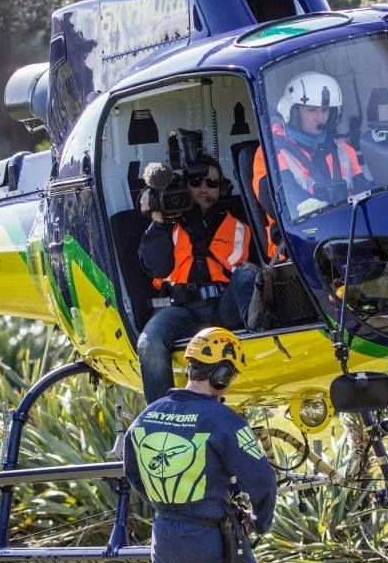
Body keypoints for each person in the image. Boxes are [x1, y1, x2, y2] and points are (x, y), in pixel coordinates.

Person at [124, 327, 295, 563]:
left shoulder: (146, 417)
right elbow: (262, 481)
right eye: (230, 375)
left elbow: (134, 476)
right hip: (212, 539)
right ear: (221, 373)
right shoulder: (225, 421)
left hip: (166, 538)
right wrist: (259, 521)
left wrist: (165, 506)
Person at [138, 154, 257, 403]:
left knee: (249, 273)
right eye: (197, 181)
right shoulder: (167, 225)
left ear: (221, 188)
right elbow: (157, 268)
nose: (204, 188)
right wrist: (158, 220)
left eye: (212, 183)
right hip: (183, 309)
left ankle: (259, 329)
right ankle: (163, 413)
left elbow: (237, 271)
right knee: (150, 343)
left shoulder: (237, 227)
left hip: (224, 308)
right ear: (186, 185)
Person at [253, 71, 366, 256]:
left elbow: (365, 192)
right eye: (311, 110)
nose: (320, 118)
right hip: (297, 246)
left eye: (324, 110)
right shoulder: (271, 152)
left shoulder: (344, 150)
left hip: (349, 238)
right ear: (293, 112)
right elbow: (281, 203)